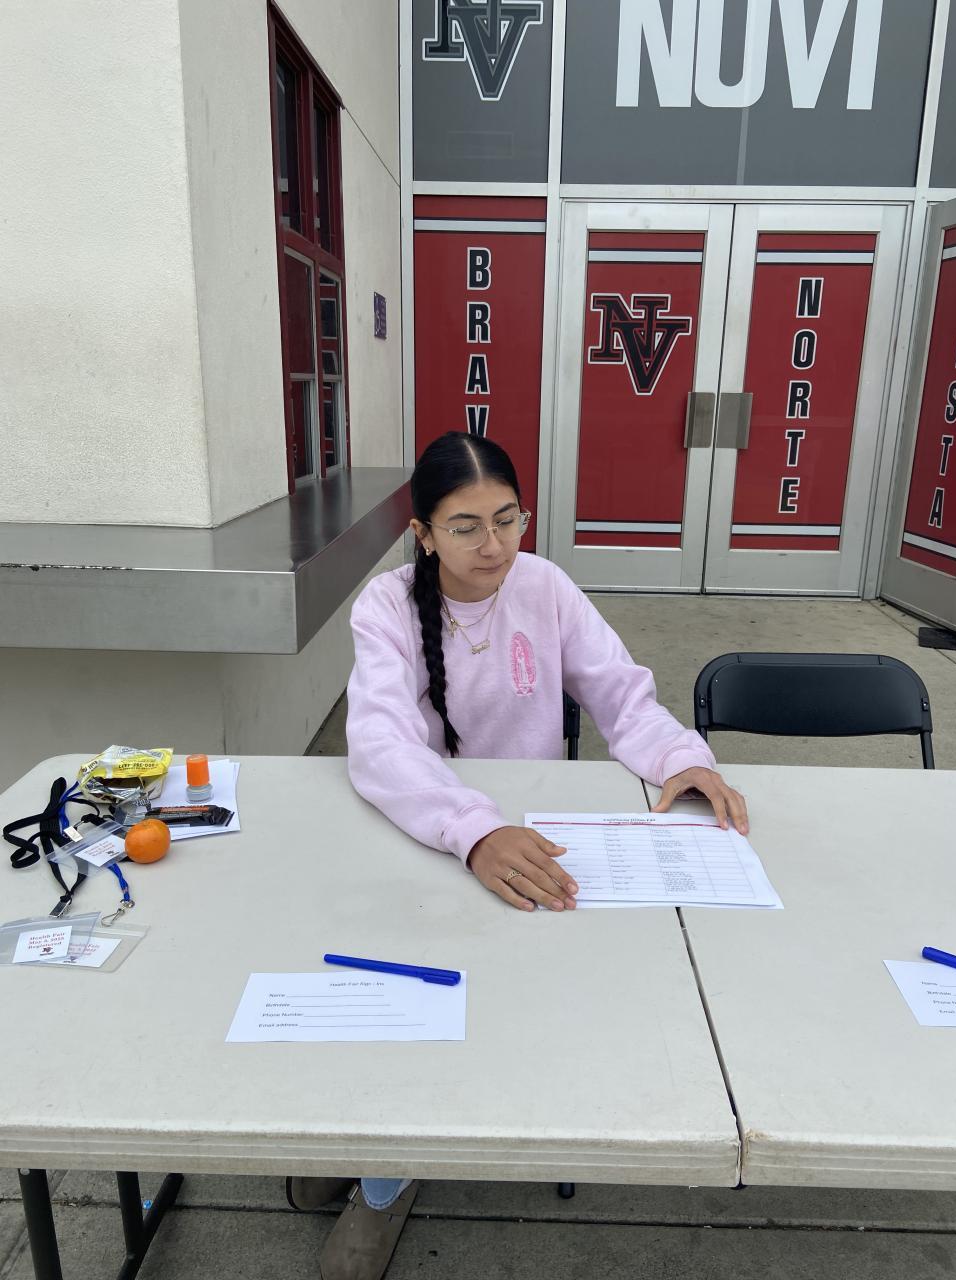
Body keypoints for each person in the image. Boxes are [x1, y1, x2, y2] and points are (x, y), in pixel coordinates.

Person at [288, 430, 748, 1280]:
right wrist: (472, 829)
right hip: (422, 827)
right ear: (423, 533)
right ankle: (374, 1161)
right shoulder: (387, 605)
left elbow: (621, 694)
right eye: (465, 526)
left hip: (524, 836)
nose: (493, 545)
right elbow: (381, 743)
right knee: (399, 993)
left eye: (507, 519)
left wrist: (682, 759)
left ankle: (380, 1170)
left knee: (487, 996)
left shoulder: (545, 587)